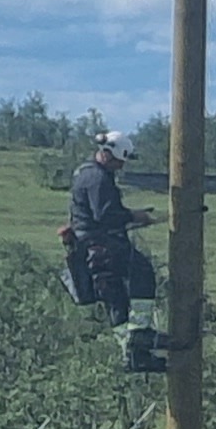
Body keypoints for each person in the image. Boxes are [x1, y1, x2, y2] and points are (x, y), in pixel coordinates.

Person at [62, 135, 157, 325]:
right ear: (106, 154)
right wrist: (134, 216)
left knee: (116, 299)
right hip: (101, 247)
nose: (121, 166)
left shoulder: (86, 172)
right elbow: (105, 215)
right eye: (118, 161)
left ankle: (131, 335)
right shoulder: (98, 178)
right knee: (141, 273)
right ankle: (140, 329)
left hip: (93, 246)